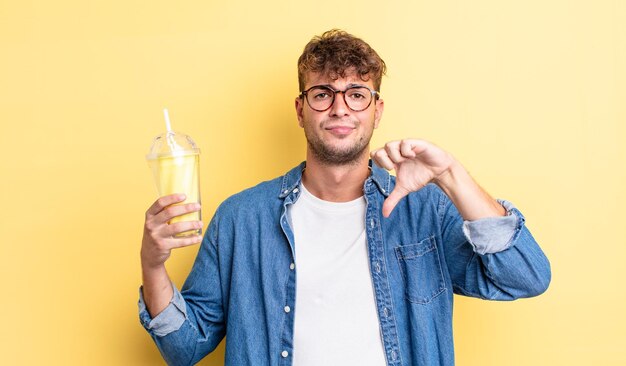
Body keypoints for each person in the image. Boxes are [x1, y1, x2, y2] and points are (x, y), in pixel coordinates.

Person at [138, 29, 551, 366]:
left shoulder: (425, 210)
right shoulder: (241, 218)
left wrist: (451, 176)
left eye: (356, 94)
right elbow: (184, 349)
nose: (339, 108)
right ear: (300, 110)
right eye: (322, 94)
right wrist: (153, 264)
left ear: (377, 110)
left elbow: (526, 277)